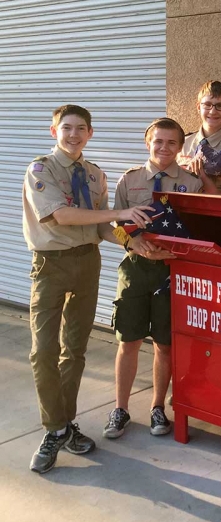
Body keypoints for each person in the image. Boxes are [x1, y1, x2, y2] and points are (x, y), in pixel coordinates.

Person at [22, 104, 153, 474]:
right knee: (42, 351)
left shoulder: (95, 176)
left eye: (81, 128)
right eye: (67, 128)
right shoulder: (40, 170)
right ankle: (55, 427)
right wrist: (118, 215)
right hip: (51, 265)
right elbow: (61, 215)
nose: (74, 134)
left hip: (87, 263)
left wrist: (132, 243)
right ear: (54, 131)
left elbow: (99, 227)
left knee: (74, 349)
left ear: (90, 134)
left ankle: (65, 425)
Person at [103, 117, 214, 440]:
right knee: (129, 341)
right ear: (148, 143)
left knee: (166, 344)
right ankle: (121, 408)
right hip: (136, 269)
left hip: (172, 271)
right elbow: (114, 224)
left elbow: (202, 224)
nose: (164, 148)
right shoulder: (131, 180)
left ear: (181, 147)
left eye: (172, 143)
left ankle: (157, 408)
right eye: (158, 141)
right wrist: (132, 242)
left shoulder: (190, 183)